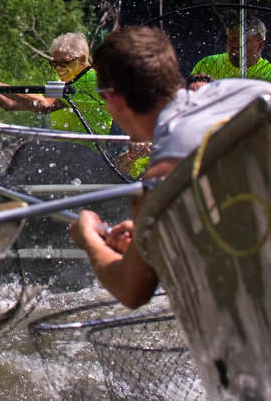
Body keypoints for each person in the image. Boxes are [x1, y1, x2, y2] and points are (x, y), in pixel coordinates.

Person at [68, 26, 271, 308]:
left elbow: (132, 291)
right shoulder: (246, 90)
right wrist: (152, 229)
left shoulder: (162, 175)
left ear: (113, 100)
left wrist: (89, 237)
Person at [0, 32, 112, 136]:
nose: (58, 69)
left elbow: (45, 105)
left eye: (64, 63)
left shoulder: (92, 81)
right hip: (65, 150)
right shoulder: (63, 81)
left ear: (82, 59)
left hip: (93, 154)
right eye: (54, 64)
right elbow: (10, 105)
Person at [191, 15, 271, 80]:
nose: (235, 45)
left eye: (243, 41)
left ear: (260, 45)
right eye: (232, 39)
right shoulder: (208, 63)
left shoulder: (268, 74)